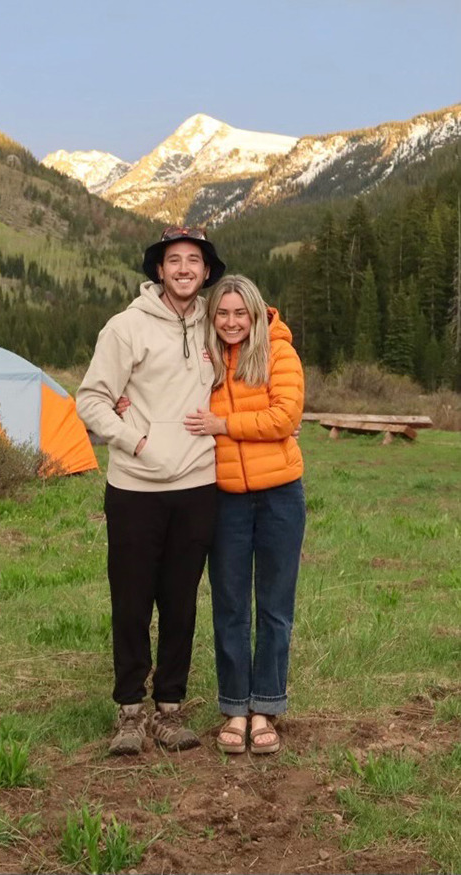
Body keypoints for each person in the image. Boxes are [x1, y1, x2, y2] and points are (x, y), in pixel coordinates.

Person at [76, 227, 225, 755]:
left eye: (194, 261)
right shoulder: (124, 328)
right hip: (135, 488)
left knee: (181, 603)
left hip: (198, 486)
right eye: (173, 260)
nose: (184, 268)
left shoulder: (218, 323)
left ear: (207, 272)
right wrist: (136, 440)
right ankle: (129, 712)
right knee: (133, 600)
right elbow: (92, 398)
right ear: (158, 270)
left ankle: (169, 709)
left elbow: (261, 335)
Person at [183, 274, 305, 754]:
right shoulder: (207, 362)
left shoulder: (279, 354)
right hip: (227, 498)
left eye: (240, 313)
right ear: (213, 318)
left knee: (275, 608)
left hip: (280, 496)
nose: (232, 322)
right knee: (231, 605)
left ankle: (266, 707)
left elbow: (285, 418)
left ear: (256, 313)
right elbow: (173, 400)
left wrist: (224, 425)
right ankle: (235, 707)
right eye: (222, 313)